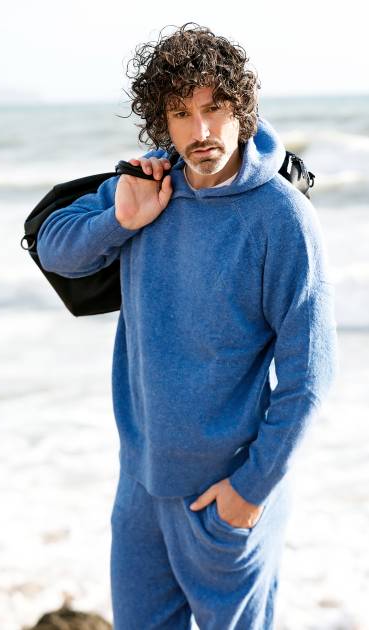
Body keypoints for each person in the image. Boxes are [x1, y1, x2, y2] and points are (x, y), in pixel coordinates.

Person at [36, 22, 339, 630]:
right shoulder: (150, 188)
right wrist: (119, 220)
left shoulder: (281, 219)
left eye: (214, 108)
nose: (200, 131)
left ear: (242, 110)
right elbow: (54, 248)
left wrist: (250, 491)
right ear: (163, 124)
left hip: (224, 494)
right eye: (181, 114)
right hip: (140, 487)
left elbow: (310, 376)